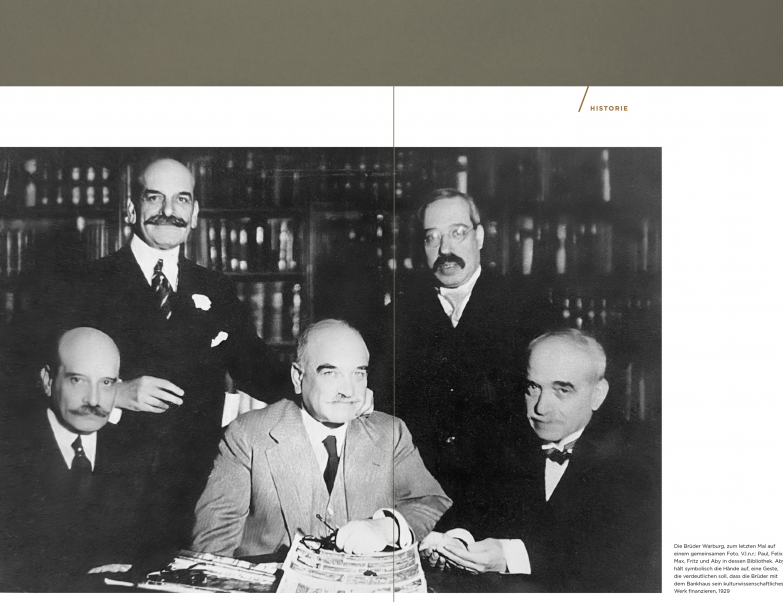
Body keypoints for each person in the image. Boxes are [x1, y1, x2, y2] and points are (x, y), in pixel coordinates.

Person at [68, 157, 293, 550]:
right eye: (154, 197)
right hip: (112, 491)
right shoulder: (86, 284)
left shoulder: (217, 288)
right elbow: (45, 378)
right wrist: (115, 393)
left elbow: (260, 370)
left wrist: (325, 385)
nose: (168, 211)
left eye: (181, 199)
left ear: (195, 214)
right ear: (131, 209)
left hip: (195, 492)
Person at [422, 328, 660, 592]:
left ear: (597, 394)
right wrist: (457, 541)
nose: (540, 408)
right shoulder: (508, 443)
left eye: (562, 390)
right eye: (533, 387)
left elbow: (610, 557)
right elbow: (474, 507)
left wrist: (508, 556)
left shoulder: (636, 458)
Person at [192, 319, 451, 558]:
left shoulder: (390, 433)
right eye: (330, 373)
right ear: (298, 377)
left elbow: (430, 501)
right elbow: (212, 549)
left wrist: (386, 527)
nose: (348, 390)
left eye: (358, 373)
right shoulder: (248, 435)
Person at [375, 188, 555, 509]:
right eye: (432, 237)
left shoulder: (529, 309)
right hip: (419, 498)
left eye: (457, 233)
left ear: (479, 237)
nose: (445, 249)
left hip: (504, 497)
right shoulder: (395, 317)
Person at [0, 327, 164, 592]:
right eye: (78, 380)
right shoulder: (3, 453)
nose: (94, 400)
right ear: (48, 380)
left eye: (106, 383)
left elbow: (155, 551)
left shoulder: (137, 453)